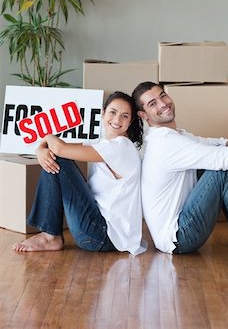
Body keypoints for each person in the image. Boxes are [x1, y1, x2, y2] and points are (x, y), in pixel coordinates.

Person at [132, 82, 228, 256]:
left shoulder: (176, 136)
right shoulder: (166, 143)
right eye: (152, 104)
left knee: (221, 159)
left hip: (180, 228)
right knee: (223, 170)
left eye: (163, 96)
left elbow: (223, 142)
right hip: (179, 238)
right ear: (143, 115)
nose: (163, 104)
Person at [13, 91, 147, 256]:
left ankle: (50, 237)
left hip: (101, 235)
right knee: (56, 156)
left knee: (60, 159)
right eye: (113, 112)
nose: (117, 120)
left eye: (125, 116)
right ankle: (50, 236)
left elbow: (59, 149)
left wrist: (47, 137)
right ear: (103, 112)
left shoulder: (121, 147)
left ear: (131, 121)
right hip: (98, 232)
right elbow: (56, 146)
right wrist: (41, 149)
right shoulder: (103, 142)